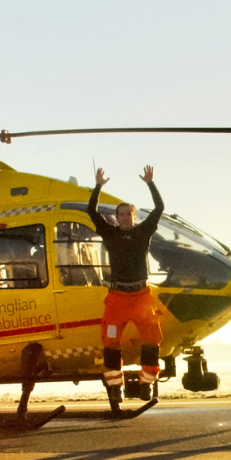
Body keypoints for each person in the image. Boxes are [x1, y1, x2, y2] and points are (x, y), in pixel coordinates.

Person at [89, 165, 165, 411]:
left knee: (152, 340)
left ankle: (146, 384)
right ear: (116, 217)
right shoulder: (109, 233)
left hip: (141, 296)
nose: (124, 217)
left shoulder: (144, 232)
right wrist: (98, 186)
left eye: (128, 214)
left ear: (133, 216)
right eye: (121, 214)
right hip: (117, 298)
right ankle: (114, 388)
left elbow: (159, 209)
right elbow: (91, 210)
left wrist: (150, 183)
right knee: (110, 343)